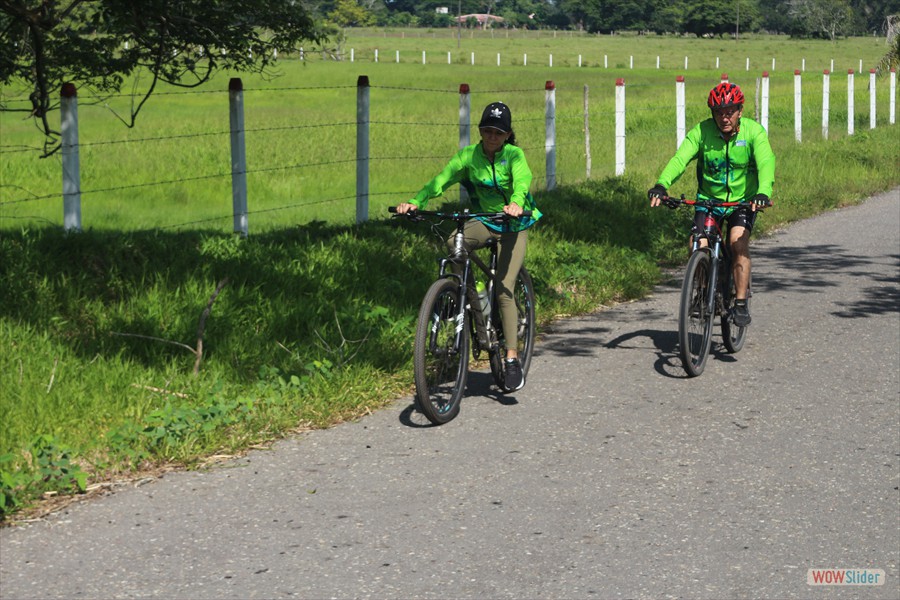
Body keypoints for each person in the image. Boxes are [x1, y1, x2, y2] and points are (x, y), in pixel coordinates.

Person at [395, 101, 542, 391]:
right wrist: (416, 202)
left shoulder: (514, 155)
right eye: (487, 130)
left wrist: (515, 203)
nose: (492, 137)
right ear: (480, 131)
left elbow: (523, 180)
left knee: (503, 288)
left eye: (498, 133)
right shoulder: (468, 157)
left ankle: (511, 357)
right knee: (454, 242)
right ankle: (465, 295)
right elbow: (441, 179)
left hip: (514, 224)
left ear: (508, 135)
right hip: (485, 220)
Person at [649, 82, 775, 327]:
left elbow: (766, 163)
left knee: (737, 241)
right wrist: (662, 185)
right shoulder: (702, 132)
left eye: (729, 111)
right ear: (712, 113)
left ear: (740, 111)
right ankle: (704, 291)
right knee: (697, 243)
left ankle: (739, 302)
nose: (724, 117)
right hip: (709, 202)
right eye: (718, 112)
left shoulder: (753, 132)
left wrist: (763, 193)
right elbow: (680, 159)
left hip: (742, 202)